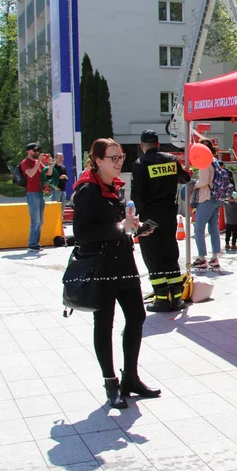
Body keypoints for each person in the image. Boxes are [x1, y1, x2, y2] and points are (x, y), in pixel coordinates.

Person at [72, 138, 161, 409]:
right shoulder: (88, 189)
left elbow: (117, 226)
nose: (118, 162)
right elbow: (83, 232)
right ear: (97, 160)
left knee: (137, 316)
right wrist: (121, 227)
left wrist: (136, 227)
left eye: (121, 157)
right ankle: (111, 382)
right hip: (102, 267)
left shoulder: (113, 188)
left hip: (123, 263)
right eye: (113, 158)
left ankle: (130, 377)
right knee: (105, 323)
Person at [131, 129, 191, 311]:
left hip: (150, 217)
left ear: (142, 146)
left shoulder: (140, 163)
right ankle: (177, 298)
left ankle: (162, 298)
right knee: (170, 252)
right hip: (168, 214)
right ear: (158, 144)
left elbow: (137, 194)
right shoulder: (171, 160)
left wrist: (138, 219)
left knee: (152, 255)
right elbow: (185, 178)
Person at [191, 138, 223, 270]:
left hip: (206, 198)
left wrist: (193, 185)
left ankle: (201, 258)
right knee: (213, 228)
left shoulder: (204, 162)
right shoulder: (215, 161)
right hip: (216, 198)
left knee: (198, 229)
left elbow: (204, 181)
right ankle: (215, 257)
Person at [20, 143, 47, 251]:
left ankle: (36, 242)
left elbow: (47, 174)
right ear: (29, 151)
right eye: (34, 150)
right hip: (32, 193)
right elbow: (30, 174)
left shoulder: (38, 163)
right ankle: (32, 243)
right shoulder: (25, 162)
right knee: (35, 220)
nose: (36, 152)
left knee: (40, 220)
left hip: (40, 193)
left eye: (37, 150)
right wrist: (39, 162)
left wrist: (50, 164)